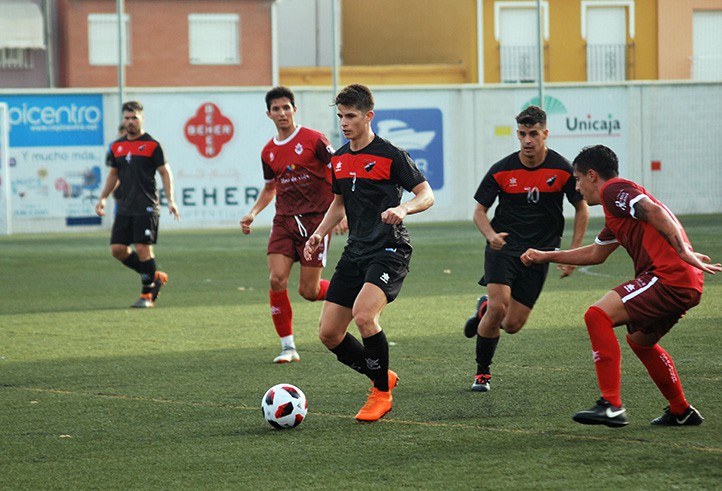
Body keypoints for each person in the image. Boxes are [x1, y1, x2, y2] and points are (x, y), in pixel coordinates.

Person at [521, 144, 721, 427]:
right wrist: (546, 256)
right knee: (641, 342)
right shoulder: (616, 213)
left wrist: (684, 252)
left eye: (577, 179)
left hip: (668, 278)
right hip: (682, 281)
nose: (577, 188)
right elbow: (596, 254)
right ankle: (681, 410)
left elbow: (652, 210)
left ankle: (611, 404)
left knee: (597, 315)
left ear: (592, 175)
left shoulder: (614, 190)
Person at [304, 84, 434, 422]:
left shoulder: (391, 154)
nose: (344, 123)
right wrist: (319, 233)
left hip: (389, 248)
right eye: (340, 116)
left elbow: (426, 194)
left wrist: (404, 209)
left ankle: (381, 393)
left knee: (364, 315)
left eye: (351, 116)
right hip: (355, 250)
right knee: (329, 333)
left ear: (368, 116)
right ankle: (381, 374)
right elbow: (338, 203)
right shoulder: (339, 159)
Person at [463, 105, 589, 392]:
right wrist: (490, 235)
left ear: (545, 133)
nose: (527, 140)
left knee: (512, 324)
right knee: (499, 308)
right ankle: (482, 373)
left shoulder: (562, 169)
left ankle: (482, 309)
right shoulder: (501, 170)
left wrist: (572, 253)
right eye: (522, 134)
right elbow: (479, 211)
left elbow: (582, 209)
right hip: (503, 248)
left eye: (533, 134)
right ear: (517, 134)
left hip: (539, 254)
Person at [240, 86, 345, 364]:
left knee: (308, 292)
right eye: (276, 109)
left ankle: (348, 291)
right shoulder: (268, 151)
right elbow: (269, 188)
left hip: (316, 222)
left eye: (287, 107)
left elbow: (340, 171)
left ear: (294, 109)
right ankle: (288, 347)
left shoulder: (314, 140)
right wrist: (252, 213)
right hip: (284, 221)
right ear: (269, 114)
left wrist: (342, 210)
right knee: (276, 279)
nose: (282, 113)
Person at [95, 100, 180, 308]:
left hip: (147, 205)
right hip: (125, 206)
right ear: (122, 120)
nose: (130, 121)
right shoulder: (117, 147)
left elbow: (165, 173)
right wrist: (103, 198)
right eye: (127, 118)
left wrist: (171, 200)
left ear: (142, 119)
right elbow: (113, 174)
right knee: (117, 249)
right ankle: (153, 275)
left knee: (143, 248)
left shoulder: (153, 145)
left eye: (134, 118)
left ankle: (147, 296)